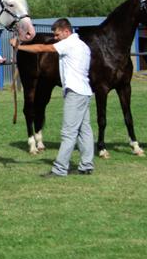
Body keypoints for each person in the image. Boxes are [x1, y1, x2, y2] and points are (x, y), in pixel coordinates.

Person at [15, 18, 94, 178]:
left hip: (74, 92)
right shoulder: (83, 45)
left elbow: (42, 47)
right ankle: (86, 164)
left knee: (68, 132)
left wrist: (19, 47)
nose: (56, 38)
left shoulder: (69, 43)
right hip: (85, 92)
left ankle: (60, 169)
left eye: (57, 35)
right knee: (84, 130)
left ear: (66, 31)